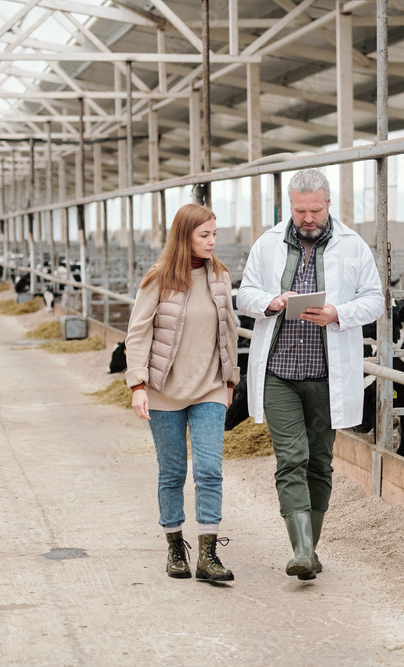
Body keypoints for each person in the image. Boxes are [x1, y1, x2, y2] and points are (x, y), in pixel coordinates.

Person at [236, 169, 384, 580]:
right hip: (279, 373)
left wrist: (339, 313)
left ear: (328, 204)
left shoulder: (353, 246)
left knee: (319, 462)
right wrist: (272, 301)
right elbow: (244, 293)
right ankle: (300, 550)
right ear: (289, 206)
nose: (307, 218)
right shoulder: (267, 244)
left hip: (327, 376)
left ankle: (310, 548)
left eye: (314, 209)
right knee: (291, 459)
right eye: (299, 210)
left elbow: (376, 301)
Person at [125, 202, 240, 583]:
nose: (211, 242)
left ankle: (208, 553)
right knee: (172, 472)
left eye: (214, 235)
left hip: (208, 389)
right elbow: (138, 333)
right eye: (204, 235)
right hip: (163, 393)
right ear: (184, 236)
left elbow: (229, 333)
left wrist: (229, 382)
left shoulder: (219, 277)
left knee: (209, 470)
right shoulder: (158, 278)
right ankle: (175, 546)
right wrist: (137, 385)